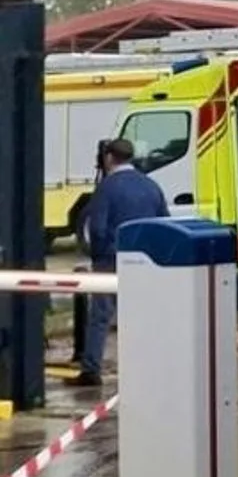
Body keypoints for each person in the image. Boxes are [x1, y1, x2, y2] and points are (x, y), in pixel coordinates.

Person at [76, 138, 169, 386]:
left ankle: (91, 369)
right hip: (145, 259)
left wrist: (98, 255)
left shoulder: (107, 188)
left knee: (101, 315)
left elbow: (97, 228)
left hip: (111, 258)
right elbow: (164, 222)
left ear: (108, 158)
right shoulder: (151, 186)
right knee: (143, 313)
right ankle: (146, 365)